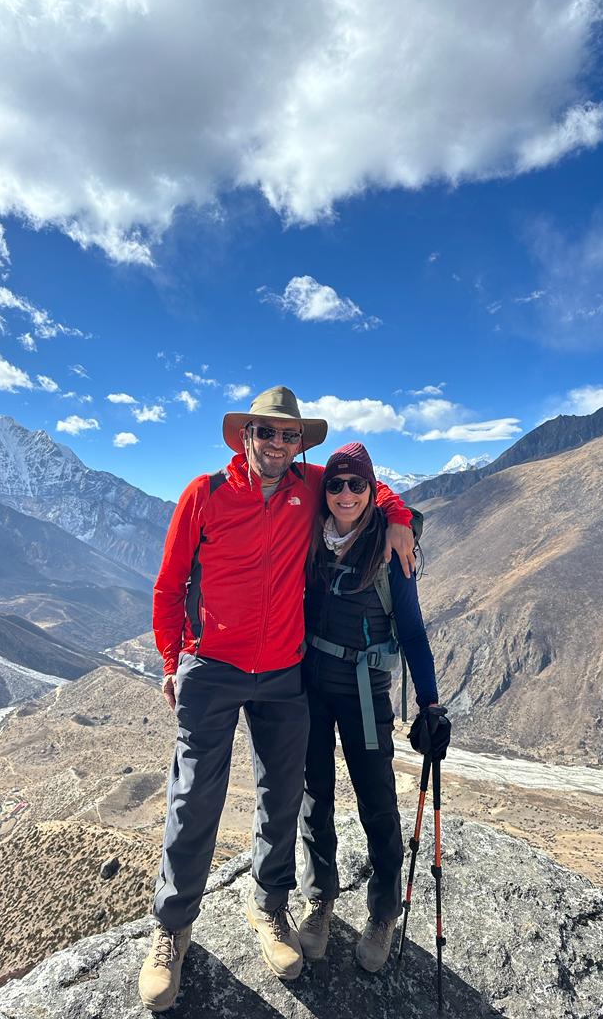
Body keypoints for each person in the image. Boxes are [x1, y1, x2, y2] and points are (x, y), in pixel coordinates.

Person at [138, 387, 415, 1012]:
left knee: (283, 795)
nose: (279, 444)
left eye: (290, 436)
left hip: (285, 669)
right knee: (194, 797)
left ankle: (269, 906)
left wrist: (398, 515)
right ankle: (172, 928)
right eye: (268, 432)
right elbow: (169, 584)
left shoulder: (310, 487)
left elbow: (365, 486)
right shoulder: (204, 494)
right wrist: (172, 662)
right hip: (212, 666)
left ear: (300, 444)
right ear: (247, 436)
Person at [296, 441, 451, 972]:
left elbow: (413, 630)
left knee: (378, 801)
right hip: (310, 688)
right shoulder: (312, 535)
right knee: (314, 795)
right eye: (336, 484)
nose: (345, 494)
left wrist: (430, 704)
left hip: (363, 693)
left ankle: (383, 912)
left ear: (370, 488)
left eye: (356, 484)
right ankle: (320, 898)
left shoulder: (389, 548)